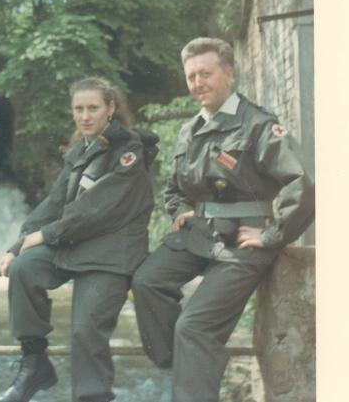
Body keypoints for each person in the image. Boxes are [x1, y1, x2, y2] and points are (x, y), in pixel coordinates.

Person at [131, 37, 315, 402]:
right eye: (191, 76)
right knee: (147, 282)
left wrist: (274, 234)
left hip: (245, 243)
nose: (198, 83)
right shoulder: (190, 130)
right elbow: (173, 187)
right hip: (199, 234)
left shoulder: (259, 125)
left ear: (228, 73)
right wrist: (179, 208)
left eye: (206, 74)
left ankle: (193, 380)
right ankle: (184, 367)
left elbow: (302, 183)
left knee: (194, 328)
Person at [0, 77, 158, 402]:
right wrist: (18, 245)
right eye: (79, 109)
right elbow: (54, 204)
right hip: (74, 245)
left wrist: (47, 234)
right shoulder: (81, 150)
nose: (85, 116)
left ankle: (92, 396)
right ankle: (35, 363)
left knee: (85, 330)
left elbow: (98, 209)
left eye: (93, 108)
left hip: (111, 254)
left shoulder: (130, 150)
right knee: (24, 269)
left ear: (110, 108)